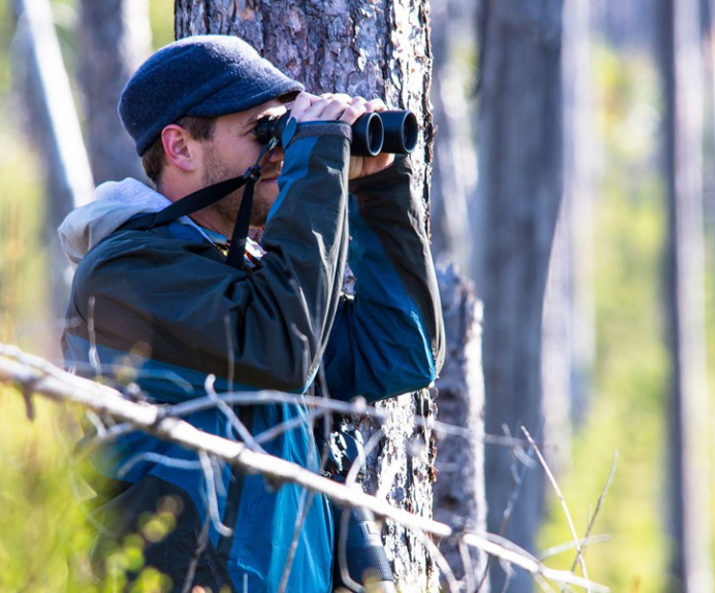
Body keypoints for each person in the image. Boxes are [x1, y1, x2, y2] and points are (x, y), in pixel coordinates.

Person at [59, 34, 444, 593]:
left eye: (284, 130)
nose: (281, 151)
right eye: (263, 132)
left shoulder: (251, 279)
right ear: (181, 147)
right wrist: (316, 161)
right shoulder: (126, 272)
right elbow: (282, 353)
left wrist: (380, 190)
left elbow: (401, 352)